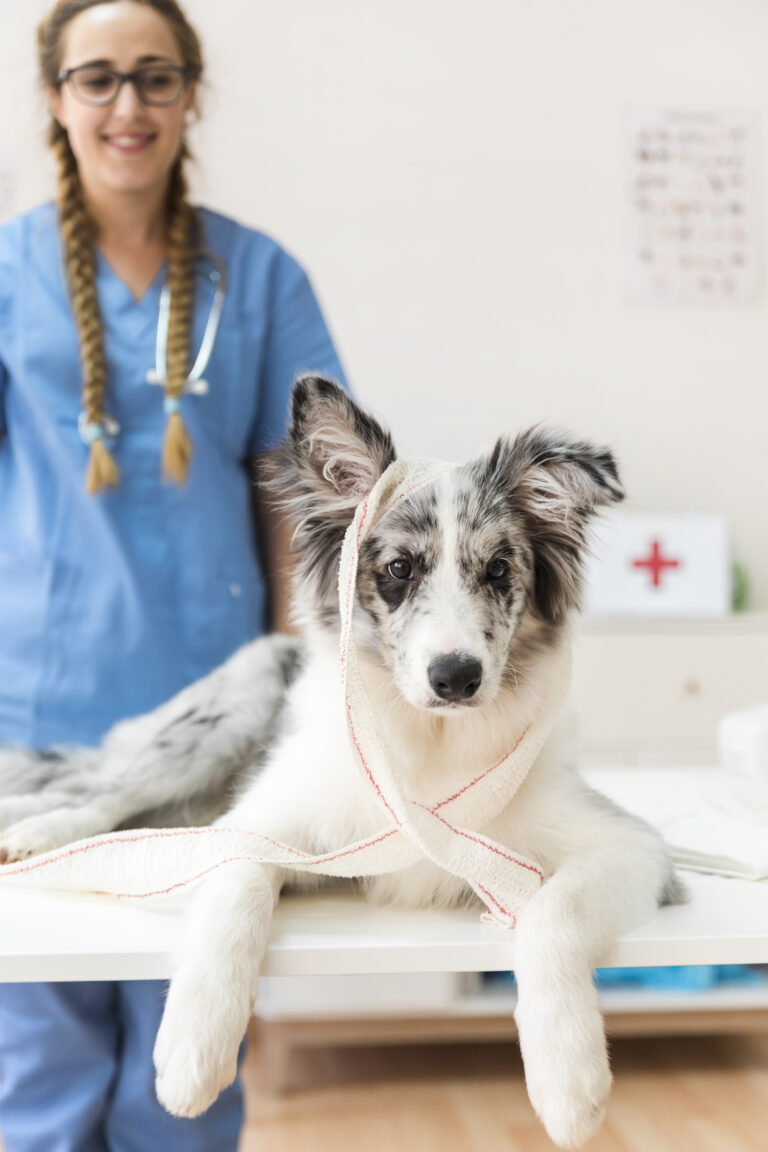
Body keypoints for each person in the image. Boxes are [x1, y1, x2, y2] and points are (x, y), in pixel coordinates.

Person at [0, 1, 347, 1149]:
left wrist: (310, 699)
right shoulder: (8, 275)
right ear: (54, 96)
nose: (127, 106)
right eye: (96, 79)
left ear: (193, 91)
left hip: (216, 736)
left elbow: (315, 501)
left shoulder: (260, 278)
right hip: (32, 726)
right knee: (37, 1075)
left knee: (185, 1077)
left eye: (155, 77)